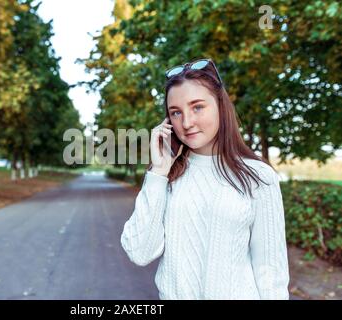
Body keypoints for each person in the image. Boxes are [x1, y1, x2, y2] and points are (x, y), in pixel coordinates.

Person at [120, 58, 290, 300]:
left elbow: (270, 271)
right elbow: (139, 251)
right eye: (176, 112)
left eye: (197, 107)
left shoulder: (258, 176)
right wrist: (157, 173)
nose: (187, 122)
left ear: (220, 106)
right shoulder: (166, 176)